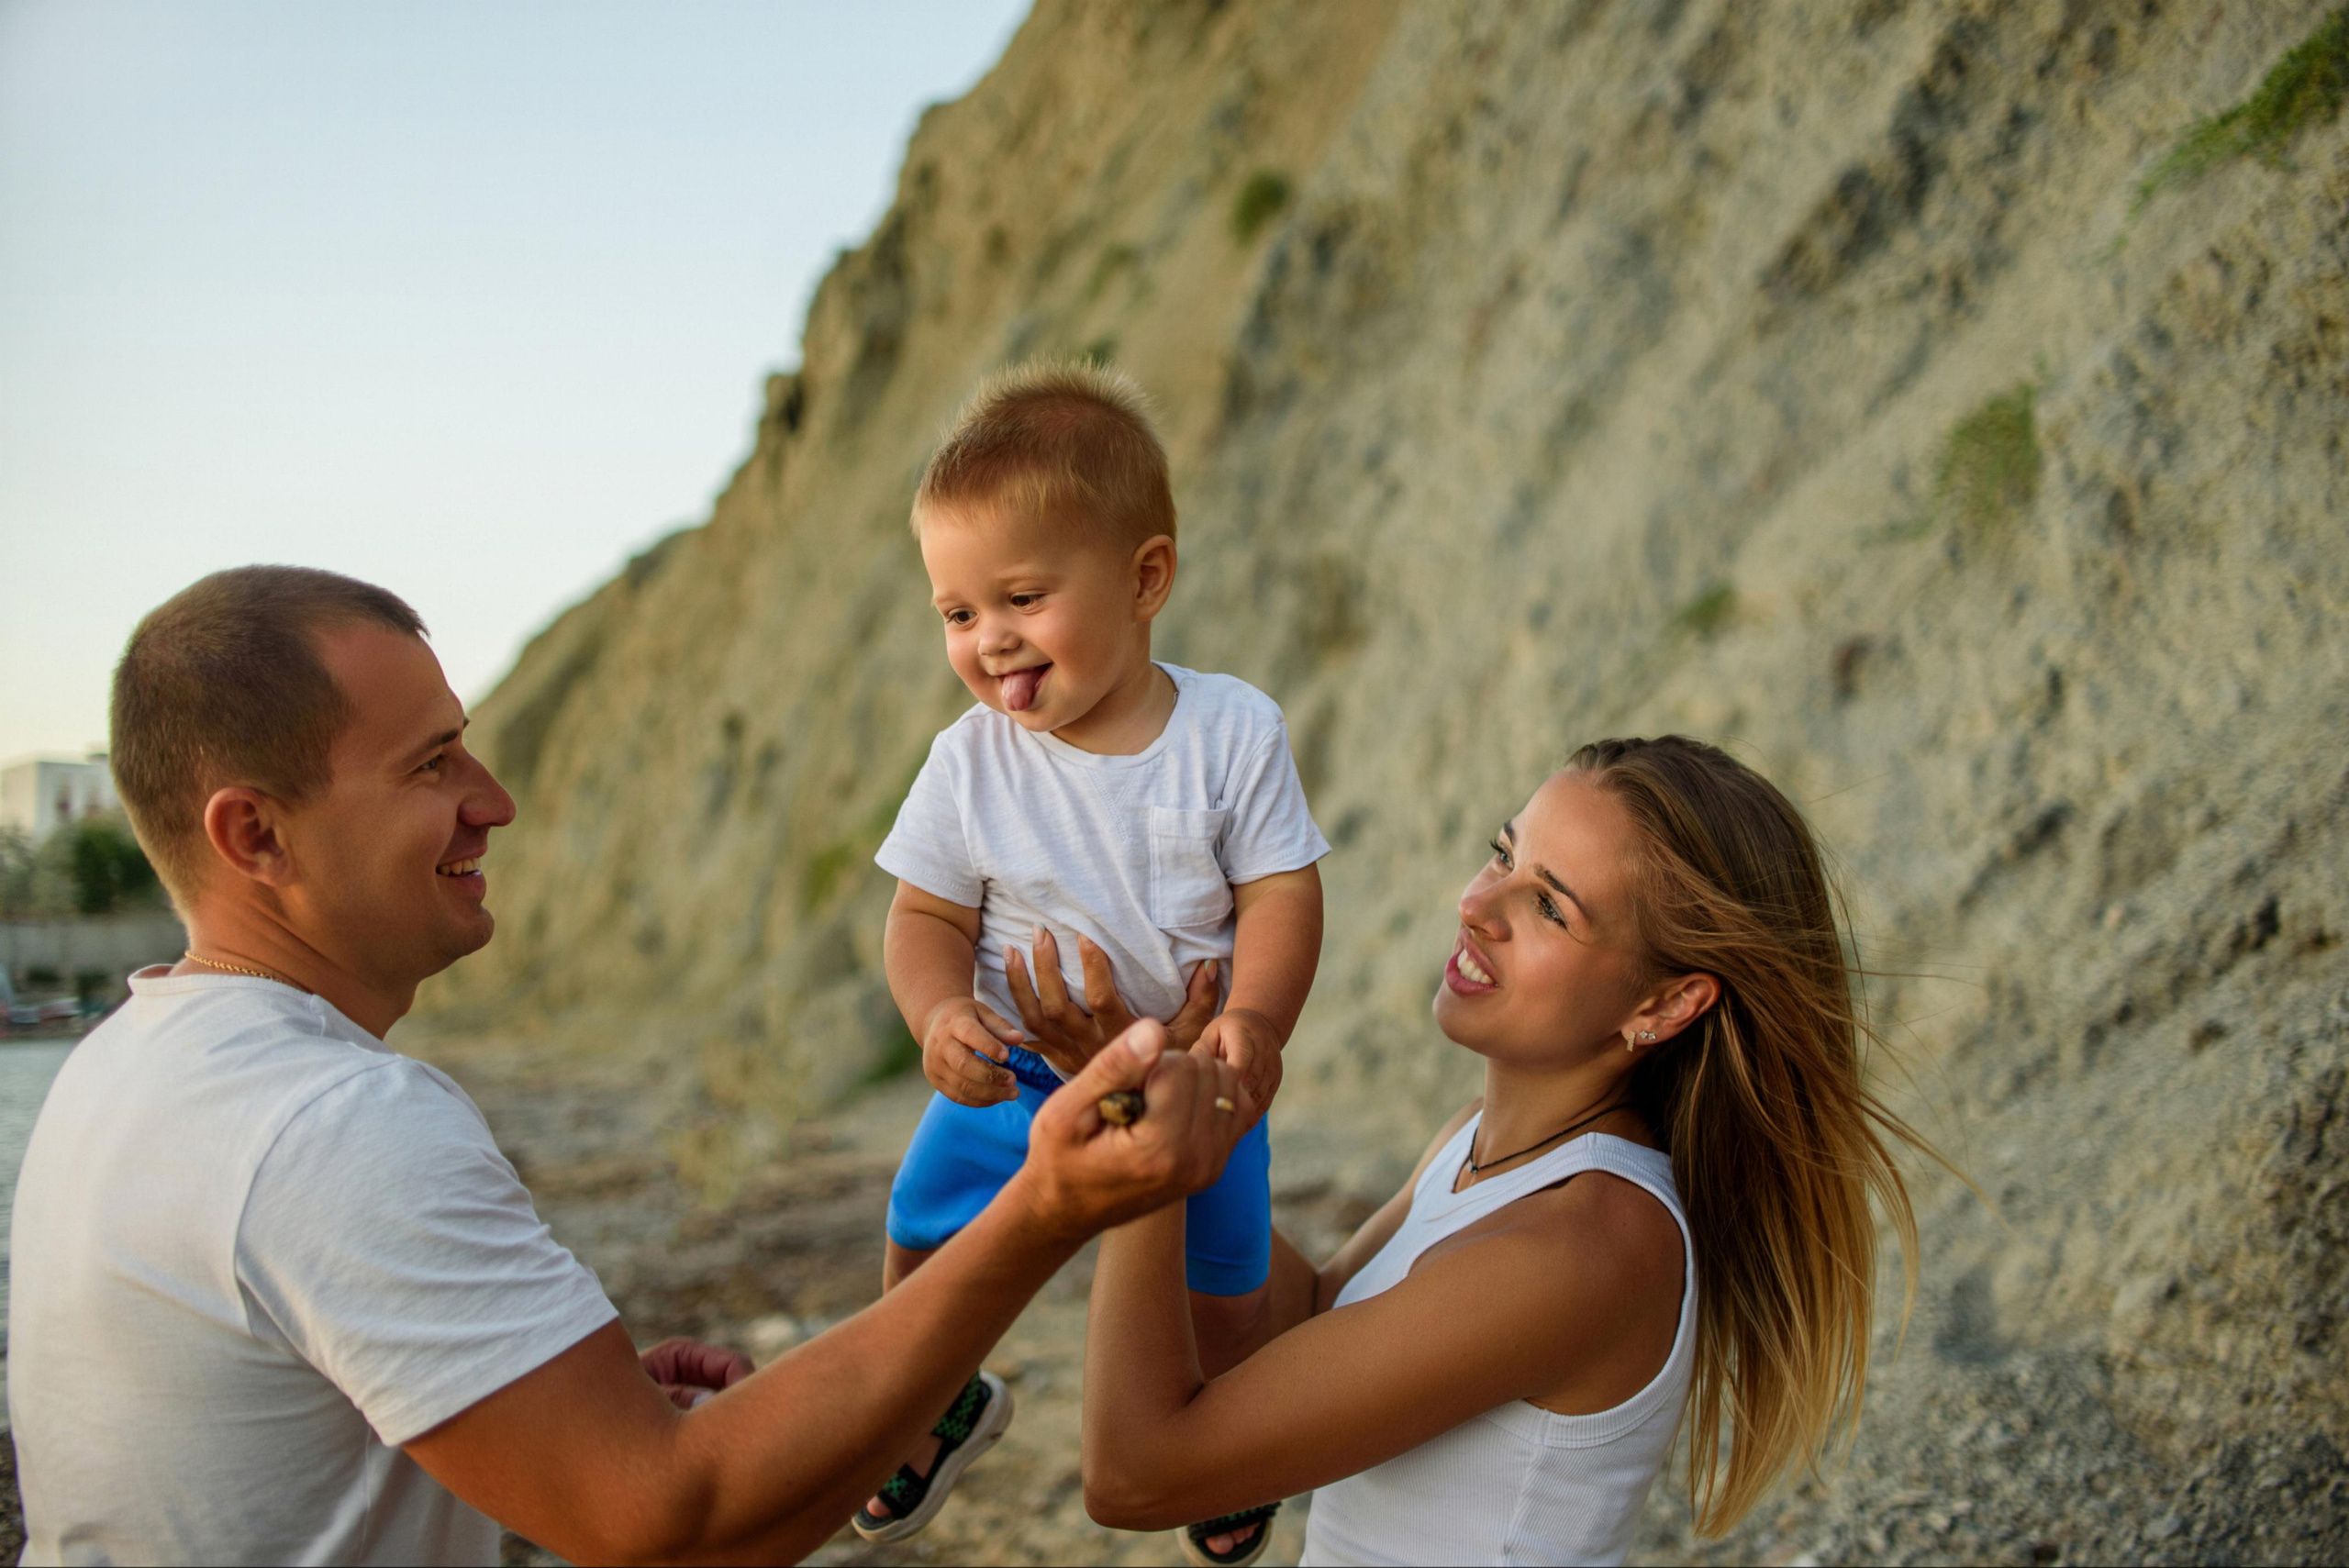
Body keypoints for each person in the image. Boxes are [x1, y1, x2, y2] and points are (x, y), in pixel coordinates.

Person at [6, 565, 1250, 1567]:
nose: (493, 801)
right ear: (255, 833)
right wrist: (1046, 1209)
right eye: (431, 763)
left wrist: (537, 1391)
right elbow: (678, 1529)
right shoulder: (329, 1122)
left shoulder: (126, 1069)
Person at [1078, 737, 1937, 1566]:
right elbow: (1297, 1326)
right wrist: (1174, 1084)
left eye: (1550, 906)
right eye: (1503, 854)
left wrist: (1140, 1153)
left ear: (1668, 1003)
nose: (1476, 905)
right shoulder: (1475, 1146)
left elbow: (1137, 1477)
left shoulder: (1584, 1246)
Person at [857, 361, 1327, 1551]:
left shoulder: (1229, 731)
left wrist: (1256, 1021)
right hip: (1021, 1069)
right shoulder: (969, 762)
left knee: (1220, 1287)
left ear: (1144, 577)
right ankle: (928, 1402)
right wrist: (936, 1016)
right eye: (958, 613)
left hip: (1192, 1078)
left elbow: (1280, 891)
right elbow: (927, 920)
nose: (989, 639)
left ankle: (1229, 1433)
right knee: (922, 1230)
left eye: (1021, 597)